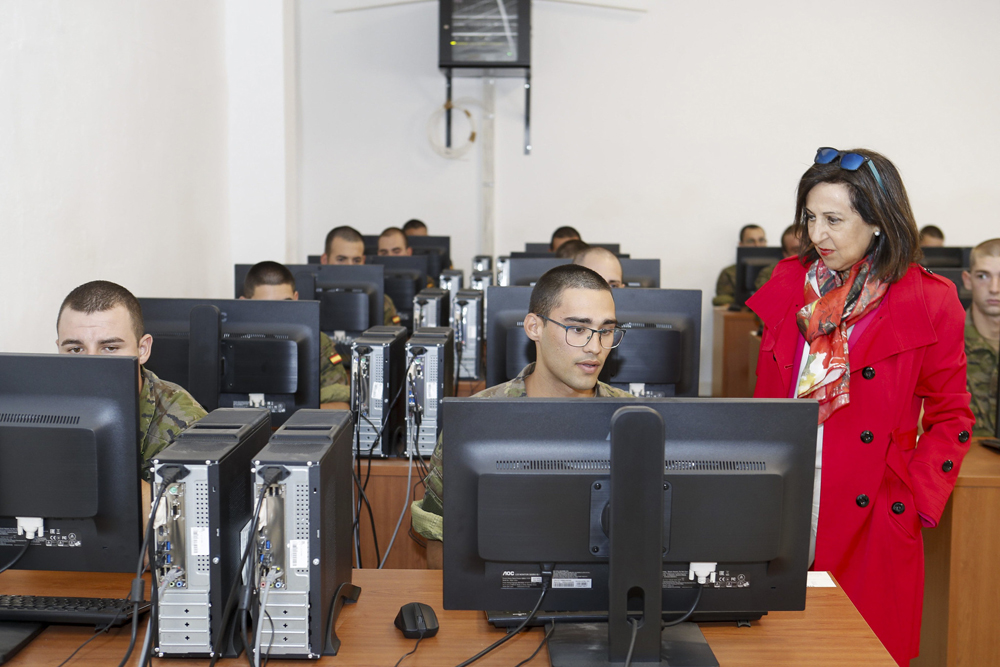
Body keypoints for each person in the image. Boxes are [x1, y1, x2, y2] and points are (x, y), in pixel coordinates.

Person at [749, 148, 973, 666]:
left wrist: (914, 500)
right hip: (782, 498)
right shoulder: (789, 283)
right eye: (809, 217)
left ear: (877, 222)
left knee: (859, 652)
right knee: (776, 649)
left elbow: (953, 416)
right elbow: (763, 400)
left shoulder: (930, 300)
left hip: (873, 512)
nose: (816, 235)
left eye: (833, 219)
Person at [411, 265, 632, 563]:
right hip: (501, 595)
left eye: (606, 331)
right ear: (534, 327)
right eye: (578, 329)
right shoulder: (476, 420)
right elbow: (440, 545)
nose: (595, 347)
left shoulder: (634, 418)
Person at [56, 280, 207, 481]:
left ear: (142, 350)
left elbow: (176, 508)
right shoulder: (41, 406)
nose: (91, 363)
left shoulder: (184, 421)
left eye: (110, 348)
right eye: (75, 349)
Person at [241, 261, 350, 410]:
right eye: (266, 306)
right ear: (244, 304)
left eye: (286, 304)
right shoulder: (224, 343)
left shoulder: (317, 342)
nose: (277, 315)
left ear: (296, 298)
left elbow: (341, 406)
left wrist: (285, 413)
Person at [321, 225, 400, 325]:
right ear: (324, 260)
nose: (350, 267)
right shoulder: (308, 300)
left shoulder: (381, 303)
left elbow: (393, 339)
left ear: (363, 261)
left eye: (356, 260)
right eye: (341, 259)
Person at [962, 239, 1000, 437]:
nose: (994, 288)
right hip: (966, 464)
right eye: (983, 276)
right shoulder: (943, 343)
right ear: (968, 280)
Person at [712, 224, 767, 306]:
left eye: (761, 240)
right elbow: (721, 300)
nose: (757, 245)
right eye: (751, 241)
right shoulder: (729, 273)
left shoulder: (777, 270)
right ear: (741, 244)